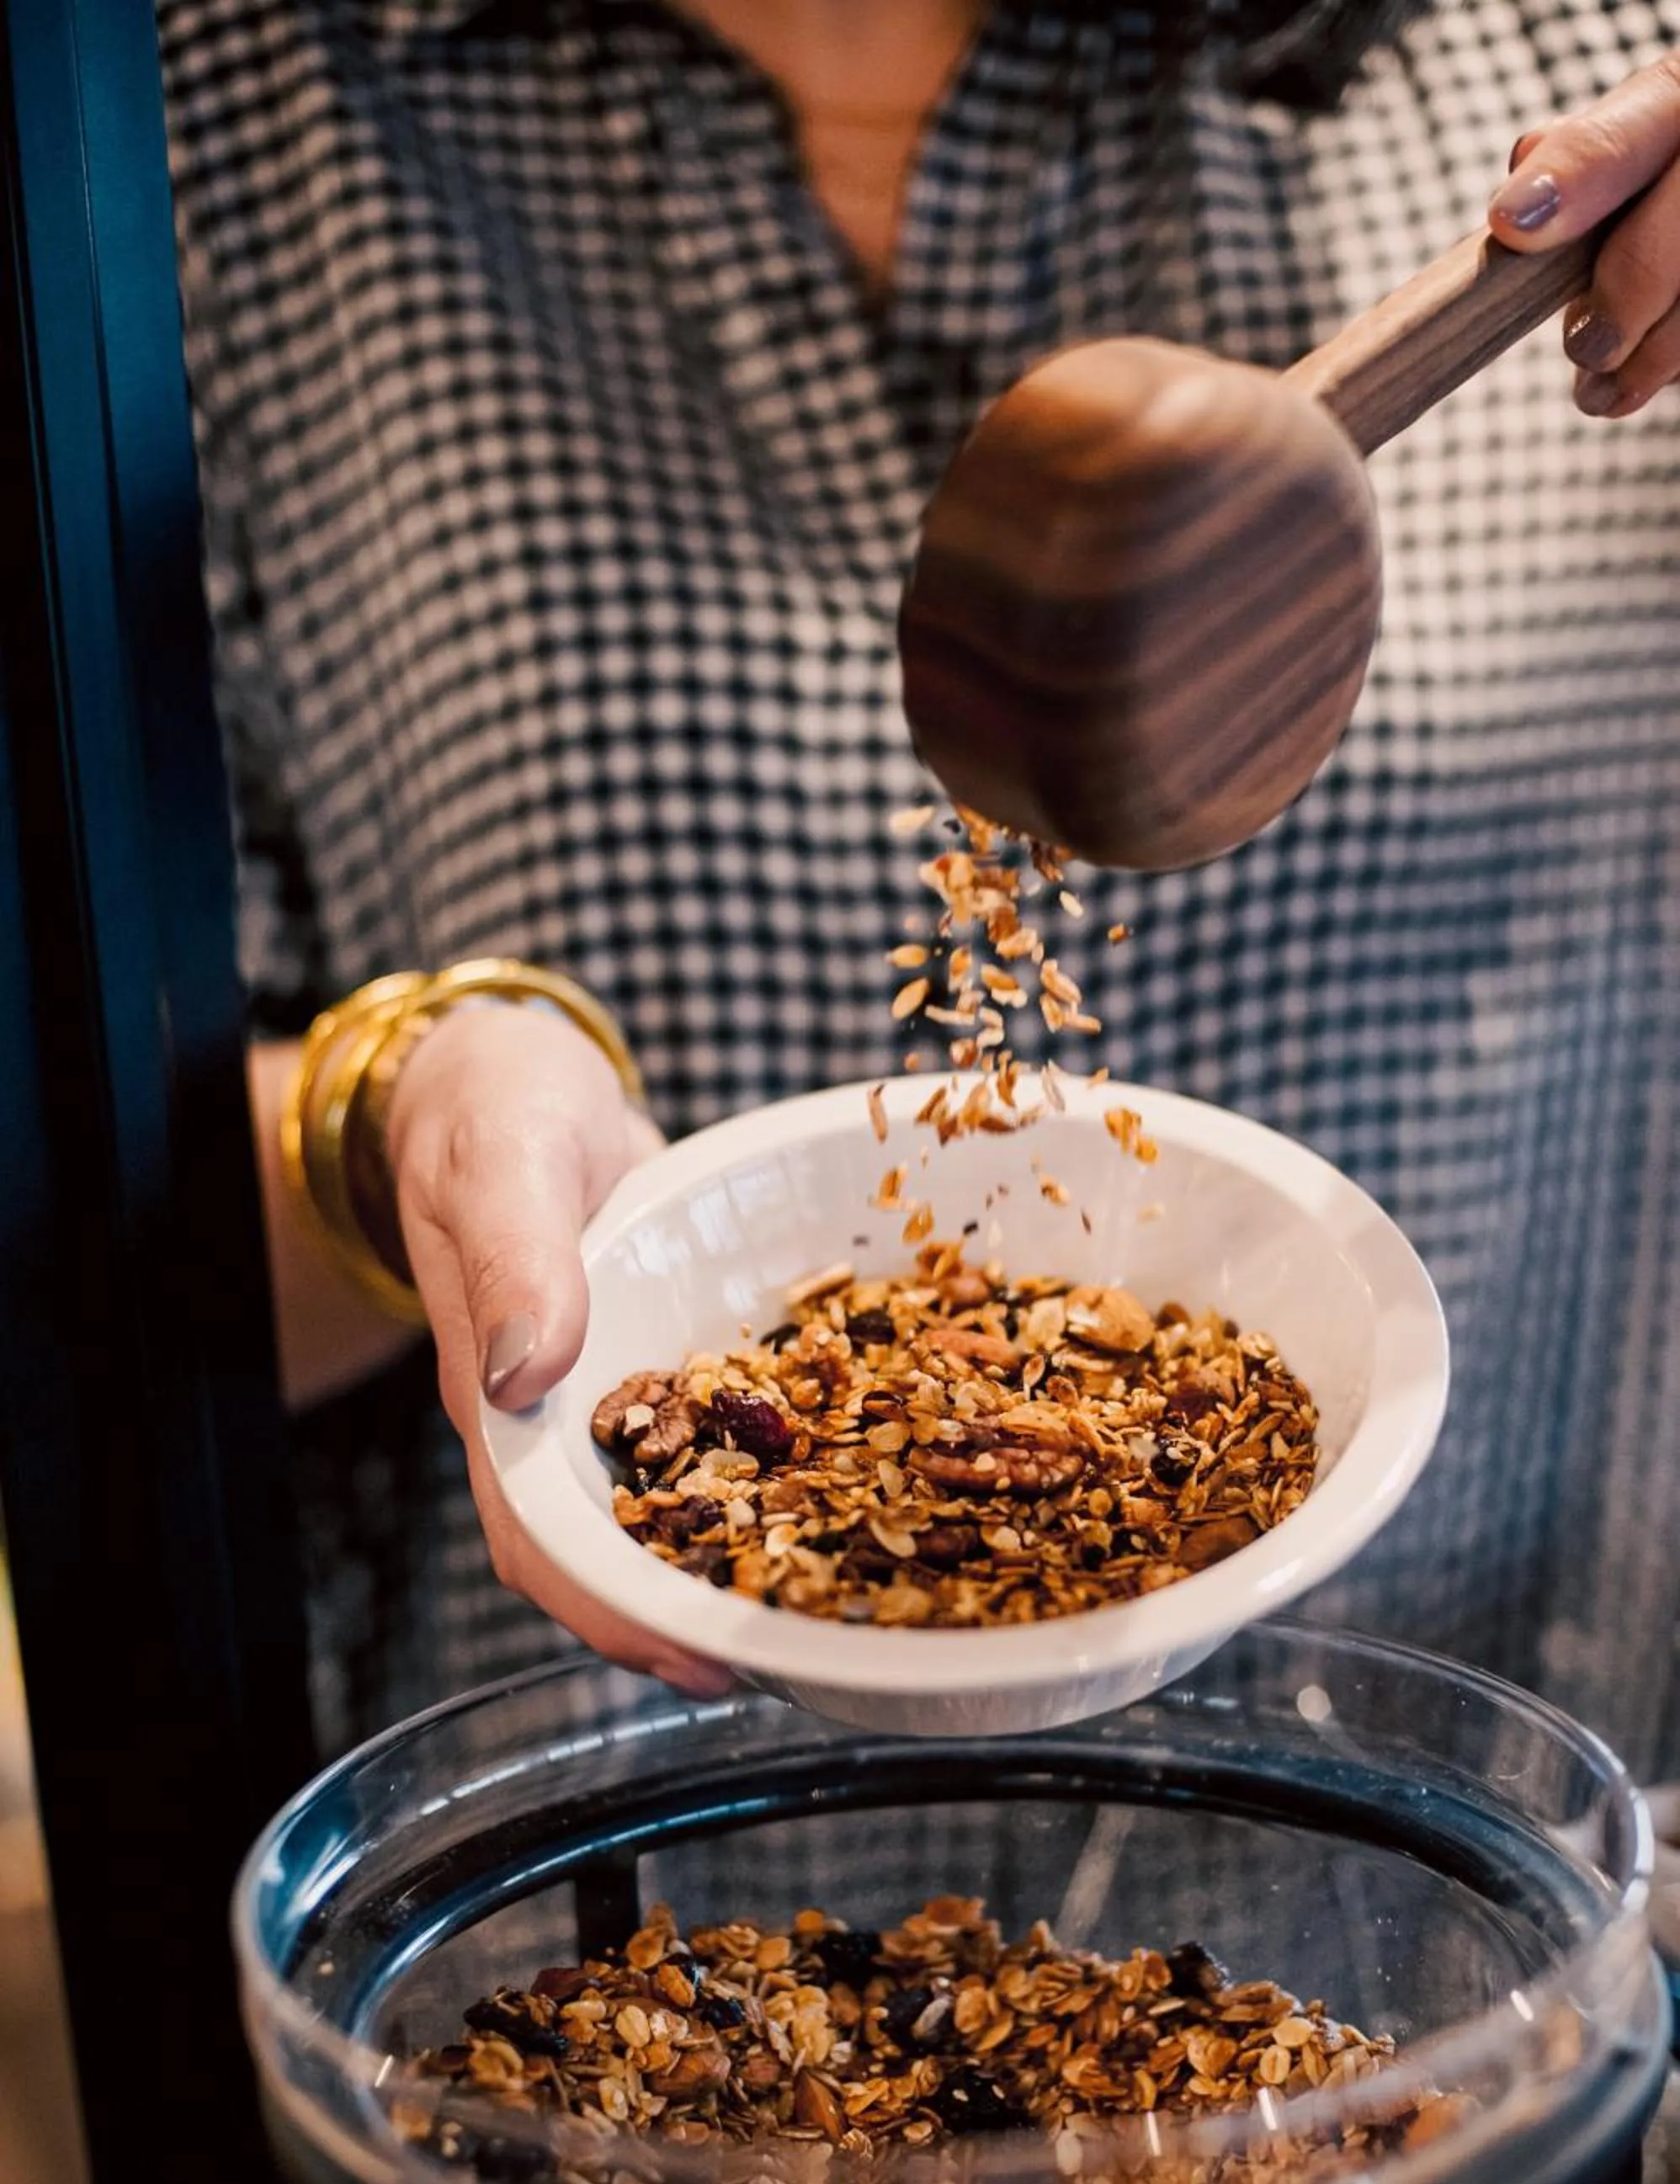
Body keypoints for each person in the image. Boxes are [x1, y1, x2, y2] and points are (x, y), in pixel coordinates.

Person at [157, 0, 1680, 1771]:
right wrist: (384, 1123)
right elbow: (79, 1276)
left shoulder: (1586, 61)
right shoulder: (191, 132)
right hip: (644, 1864)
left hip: (1460, 1827)